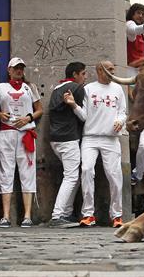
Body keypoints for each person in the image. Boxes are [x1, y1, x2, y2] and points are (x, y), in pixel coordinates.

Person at [67, 61, 126, 228]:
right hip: (90, 137)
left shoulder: (118, 89)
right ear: (100, 70)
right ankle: (88, 214)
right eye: (110, 69)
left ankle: (117, 215)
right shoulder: (88, 89)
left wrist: (120, 121)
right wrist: (73, 105)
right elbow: (84, 115)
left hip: (111, 138)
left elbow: (123, 112)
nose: (113, 72)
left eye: (114, 69)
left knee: (114, 175)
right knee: (86, 170)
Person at [0, 57, 42, 227]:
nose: (19, 71)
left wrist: (28, 118)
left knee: (27, 173)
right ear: (9, 70)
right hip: (7, 134)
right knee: (6, 172)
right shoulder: (1, 88)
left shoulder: (29, 87)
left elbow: (40, 110)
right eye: (16, 68)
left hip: (25, 134)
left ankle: (27, 216)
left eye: (21, 68)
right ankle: (6, 216)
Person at [47, 62, 87, 228]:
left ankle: (66, 212)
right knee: (71, 177)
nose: (85, 77)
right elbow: (84, 117)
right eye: (83, 74)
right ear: (75, 74)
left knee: (73, 176)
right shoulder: (76, 89)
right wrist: (74, 105)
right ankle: (57, 216)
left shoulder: (57, 89)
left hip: (55, 139)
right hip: (68, 138)